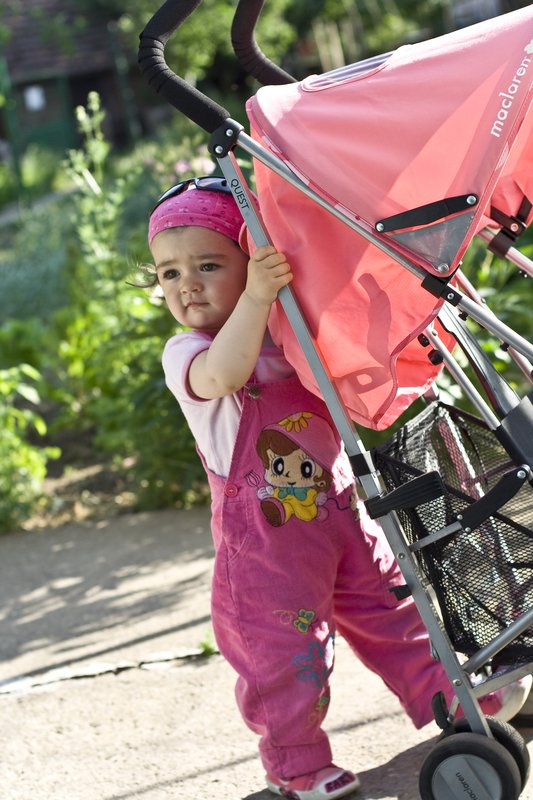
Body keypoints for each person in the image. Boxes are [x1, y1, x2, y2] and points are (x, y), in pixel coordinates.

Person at [147, 176, 530, 800]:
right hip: (266, 550)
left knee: (398, 611)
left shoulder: (287, 332)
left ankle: (456, 699)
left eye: (208, 265)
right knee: (287, 658)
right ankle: (296, 763)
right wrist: (255, 296)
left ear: (253, 258)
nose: (186, 284)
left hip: (344, 513)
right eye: (169, 273)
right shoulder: (187, 351)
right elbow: (224, 375)